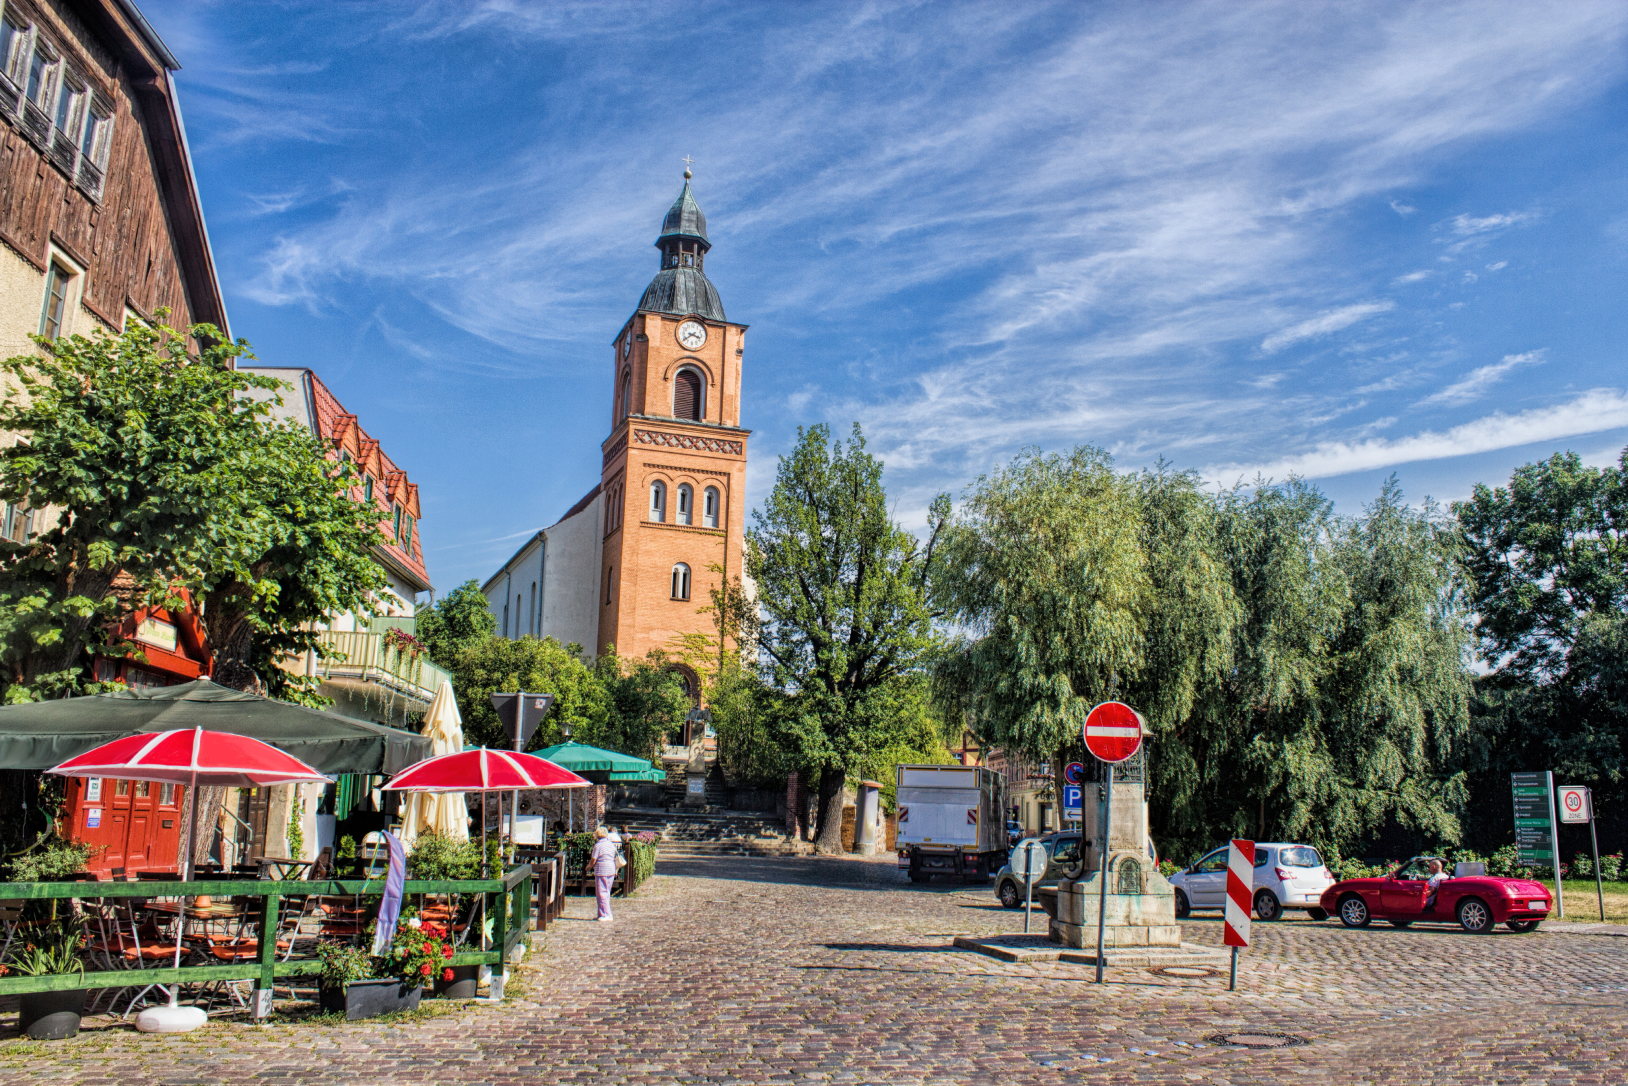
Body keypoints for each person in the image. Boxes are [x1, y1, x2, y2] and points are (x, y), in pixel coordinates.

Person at [590, 826, 618, 922]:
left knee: (601, 893)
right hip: (611, 868)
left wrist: (588, 867)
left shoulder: (598, 845)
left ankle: (604, 914)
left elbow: (593, 859)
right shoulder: (610, 844)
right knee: (607, 892)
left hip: (602, 869)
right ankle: (606, 913)